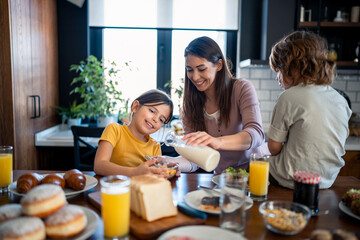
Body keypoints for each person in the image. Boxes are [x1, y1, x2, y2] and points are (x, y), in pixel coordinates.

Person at [267, 31, 352, 189]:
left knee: (249, 165)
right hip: (326, 180)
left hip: (289, 179)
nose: (277, 77)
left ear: (294, 67)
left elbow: (273, 148)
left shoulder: (289, 97)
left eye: (279, 69)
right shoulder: (341, 100)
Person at [181, 36, 268, 174]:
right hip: (223, 178)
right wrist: (169, 163)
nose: (195, 77)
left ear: (219, 65)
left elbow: (256, 134)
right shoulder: (189, 106)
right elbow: (194, 157)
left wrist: (218, 142)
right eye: (190, 70)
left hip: (256, 172)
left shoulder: (241, 88)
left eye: (201, 69)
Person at [94, 89, 174, 177]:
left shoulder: (155, 147)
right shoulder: (114, 130)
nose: (155, 119)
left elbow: (154, 175)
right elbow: (99, 166)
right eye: (152, 111)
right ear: (135, 107)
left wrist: (167, 172)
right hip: (113, 188)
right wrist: (135, 172)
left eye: (161, 119)